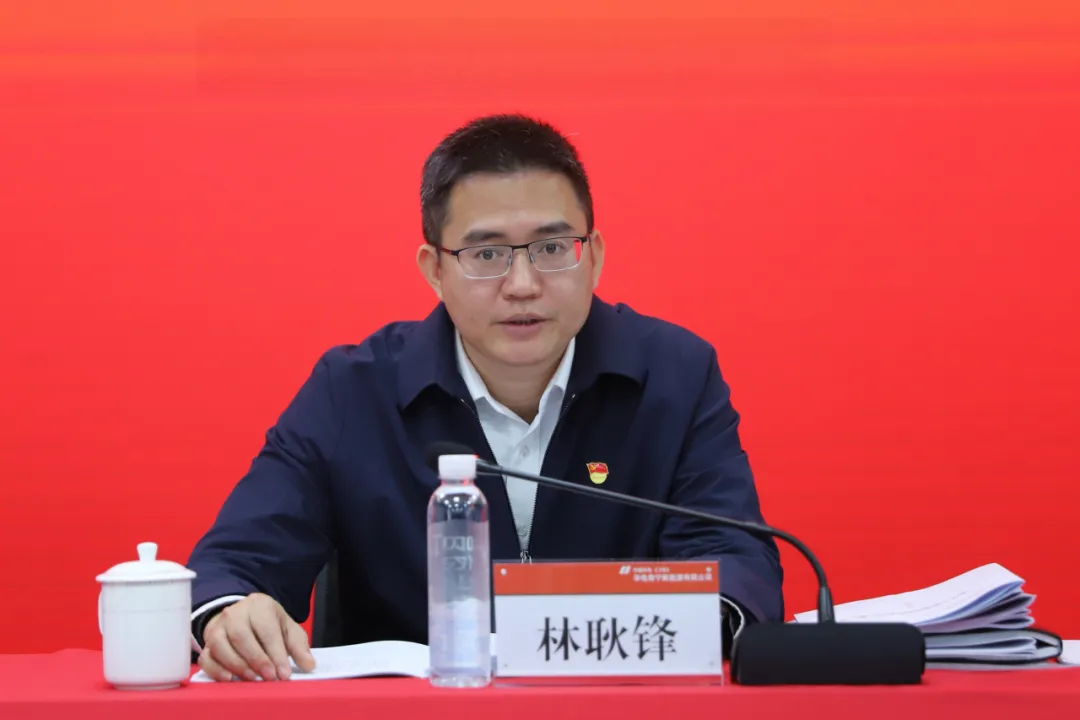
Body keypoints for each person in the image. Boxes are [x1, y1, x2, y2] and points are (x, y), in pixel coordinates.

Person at [187, 113, 784, 683]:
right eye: (487, 255)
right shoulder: (353, 391)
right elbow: (232, 565)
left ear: (595, 256)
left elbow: (735, 560)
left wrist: (705, 621)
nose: (522, 285)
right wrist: (233, 614)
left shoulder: (674, 376)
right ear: (434, 270)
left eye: (553, 248)